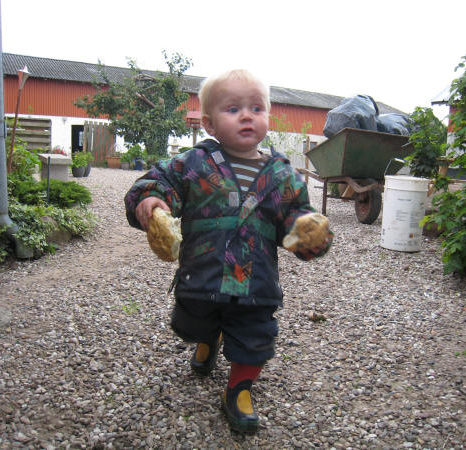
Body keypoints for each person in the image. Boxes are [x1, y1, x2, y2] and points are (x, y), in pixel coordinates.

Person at [124, 69, 332, 433]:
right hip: (202, 275)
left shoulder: (282, 174)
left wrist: (307, 232)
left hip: (255, 283)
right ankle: (208, 337)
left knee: (256, 338)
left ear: (267, 115)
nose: (247, 116)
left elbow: (296, 215)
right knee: (190, 323)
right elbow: (160, 181)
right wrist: (152, 199)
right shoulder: (193, 162)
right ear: (209, 123)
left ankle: (239, 387)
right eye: (233, 109)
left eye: (256, 108)